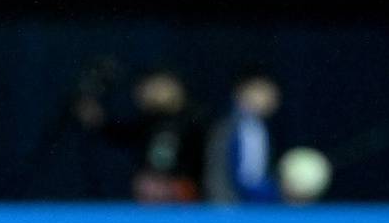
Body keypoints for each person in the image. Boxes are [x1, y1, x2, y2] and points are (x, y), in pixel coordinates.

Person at [72, 67, 207, 203]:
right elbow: (122, 132)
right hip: (157, 194)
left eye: (157, 86)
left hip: (185, 195)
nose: (149, 92)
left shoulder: (190, 120)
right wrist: (99, 121)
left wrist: (164, 182)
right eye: (147, 87)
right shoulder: (151, 122)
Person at [203, 72, 282, 204]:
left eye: (270, 92)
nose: (267, 97)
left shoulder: (260, 128)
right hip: (233, 208)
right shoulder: (230, 128)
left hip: (256, 207)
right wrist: (224, 206)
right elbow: (217, 171)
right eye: (258, 90)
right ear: (240, 93)